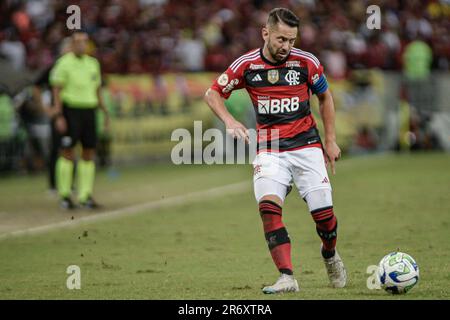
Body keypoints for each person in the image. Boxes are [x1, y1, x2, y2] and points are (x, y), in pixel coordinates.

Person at [204, 8, 346, 294]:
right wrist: (230, 120)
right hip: (270, 149)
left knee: (324, 217)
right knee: (268, 209)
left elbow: (324, 96)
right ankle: (287, 276)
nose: (287, 47)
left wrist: (330, 140)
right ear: (265, 33)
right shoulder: (247, 65)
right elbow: (212, 93)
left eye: (292, 40)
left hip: (307, 146)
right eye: (281, 39)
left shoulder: (307, 63)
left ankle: (329, 253)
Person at [49, 30, 109, 210]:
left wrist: (104, 112)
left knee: (89, 152)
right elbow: (57, 91)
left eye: (85, 42)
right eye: (78, 42)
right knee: (67, 151)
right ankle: (65, 195)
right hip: (70, 110)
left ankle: (85, 195)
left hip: (89, 110)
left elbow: (97, 90)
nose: (82, 45)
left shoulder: (93, 64)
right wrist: (58, 115)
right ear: (72, 44)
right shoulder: (63, 64)